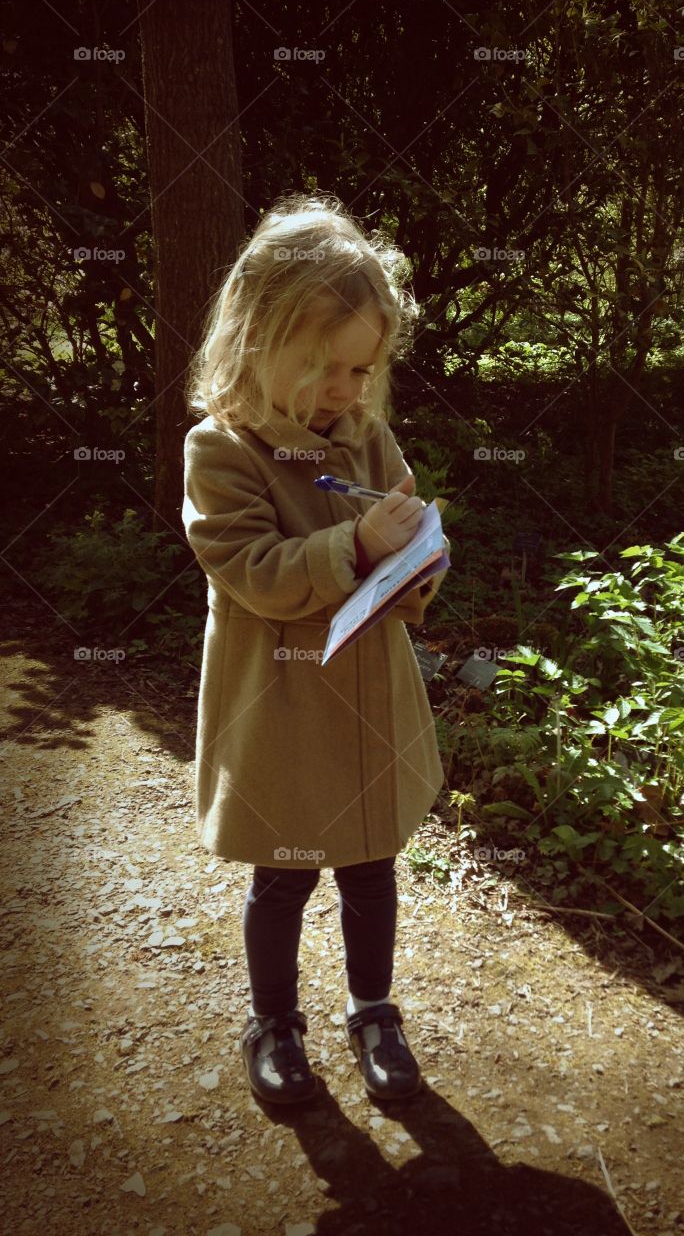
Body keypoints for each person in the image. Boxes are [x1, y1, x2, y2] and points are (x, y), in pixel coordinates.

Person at [180, 192, 451, 1105]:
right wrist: (359, 547)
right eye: (326, 368)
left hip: (367, 691)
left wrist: (416, 567)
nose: (346, 390)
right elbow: (251, 569)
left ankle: (374, 1010)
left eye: (362, 370)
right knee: (286, 872)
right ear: (260, 339)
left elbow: (400, 538)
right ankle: (275, 1023)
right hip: (284, 703)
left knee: (372, 864)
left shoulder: (367, 438)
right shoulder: (220, 453)